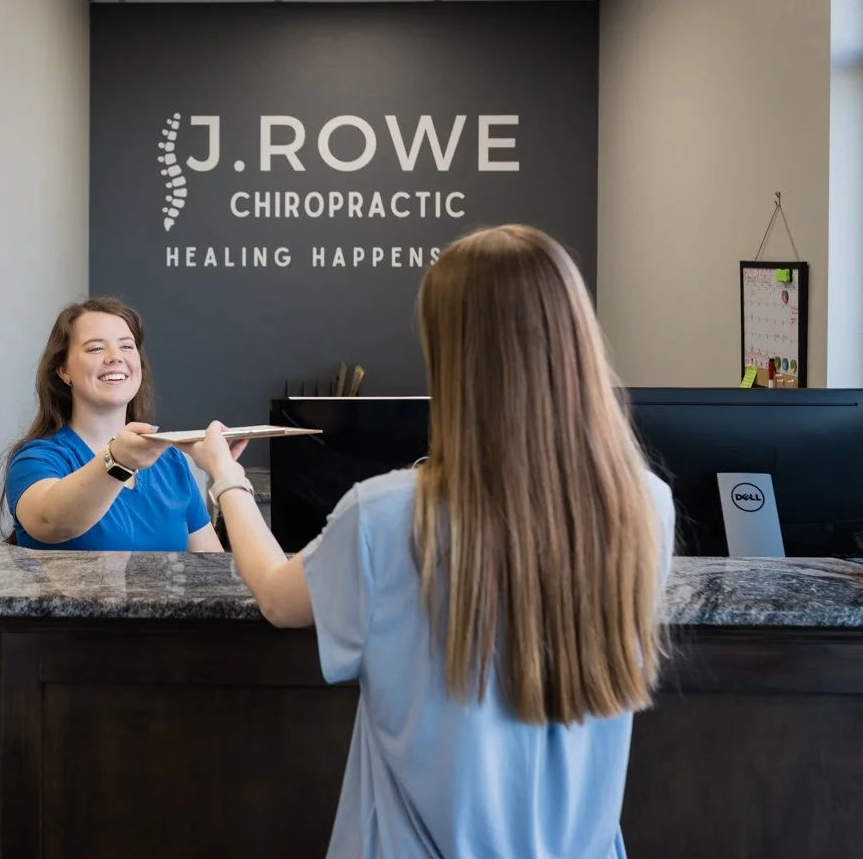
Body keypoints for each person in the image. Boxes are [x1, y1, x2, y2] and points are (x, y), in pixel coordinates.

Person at [181, 224, 675, 858]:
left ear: (451, 351)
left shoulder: (386, 514)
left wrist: (225, 478)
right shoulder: (644, 506)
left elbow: (279, 597)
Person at [0, 296, 223, 552]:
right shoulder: (37, 460)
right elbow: (51, 522)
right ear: (63, 371)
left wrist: (225, 474)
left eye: (127, 346)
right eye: (95, 348)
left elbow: (211, 571)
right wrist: (117, 460)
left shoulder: (171, 462)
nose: (115, 357)